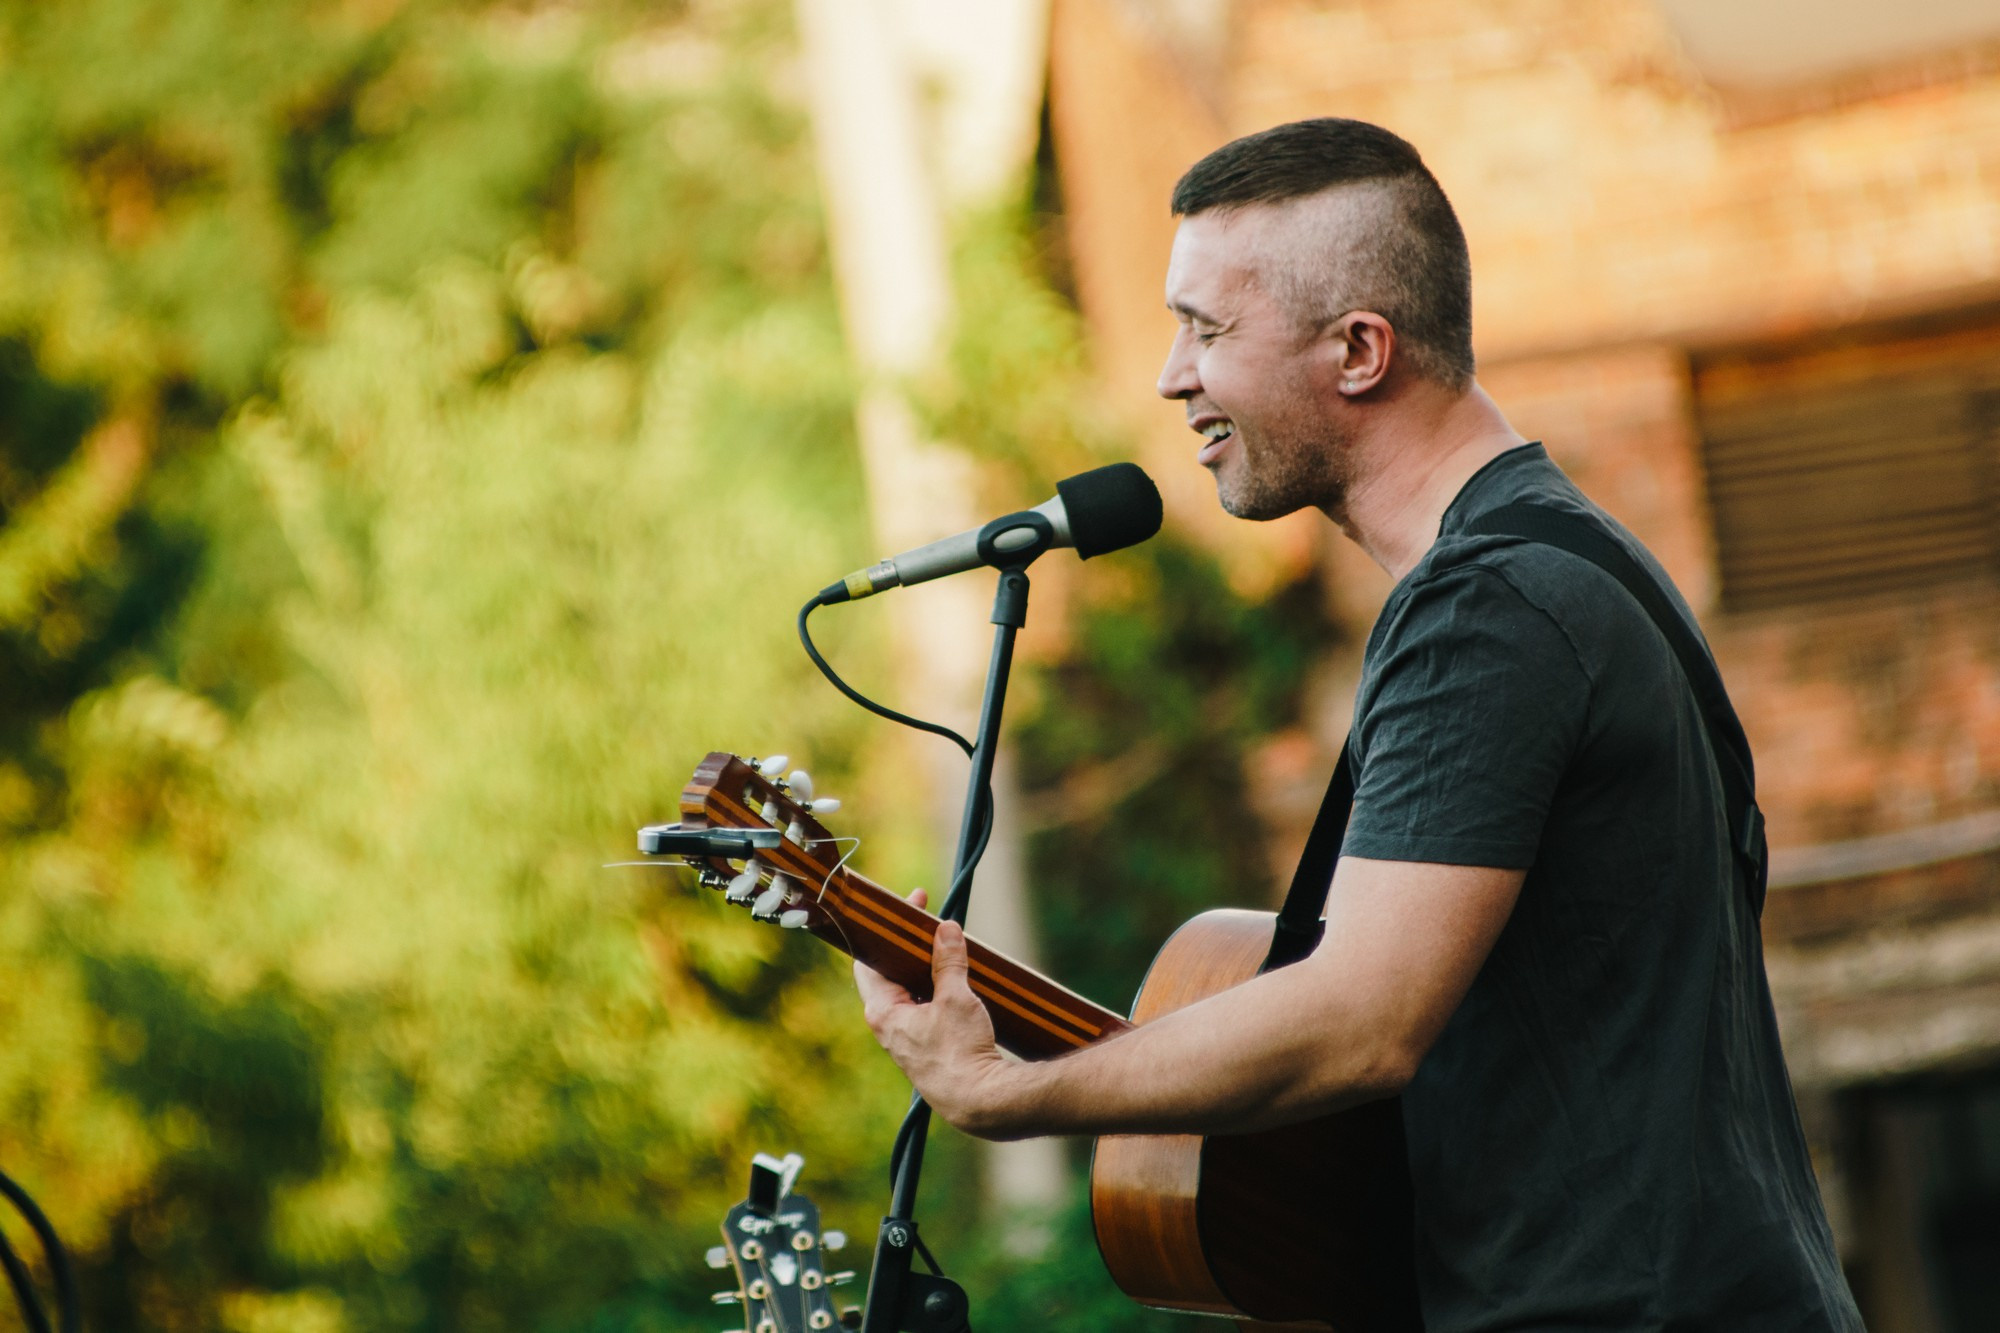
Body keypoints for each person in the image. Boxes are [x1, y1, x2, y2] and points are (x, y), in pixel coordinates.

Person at [854, 118, 1861, 1331]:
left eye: (1207, 331)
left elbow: (1361, 1020)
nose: (1172, 375)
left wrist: (1016, 1092)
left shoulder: (1484, 607)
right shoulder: (1576, 560)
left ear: (1358, 349)